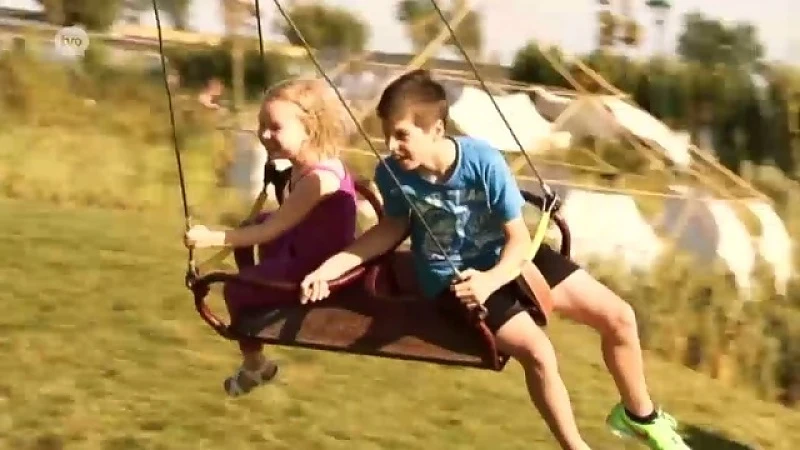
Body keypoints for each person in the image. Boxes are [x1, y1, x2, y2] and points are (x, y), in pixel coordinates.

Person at [300, 69, 690, 450]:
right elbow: (389, 230)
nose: (391, 146)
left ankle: (640, 416)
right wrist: (330, 268)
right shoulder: (393, 174)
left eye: (402, 135)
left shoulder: (482, 161)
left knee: (620, 317)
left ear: (436, 129)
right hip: (456, 278)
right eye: (386, 135)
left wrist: (493, 278)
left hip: (508, 258)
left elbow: (518, 240)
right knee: (538, 352)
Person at [184, 78, 358, 397]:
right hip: (303, 245)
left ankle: (256, 365)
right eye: (261, 125)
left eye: (275, 127)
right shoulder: (303, 166)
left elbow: (273, 230)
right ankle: (261, 289)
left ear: (310, 128)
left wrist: (212, 237)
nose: (264, 134)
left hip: (315, 266)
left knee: (235, 290)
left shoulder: (316, 179)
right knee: (258, 222)